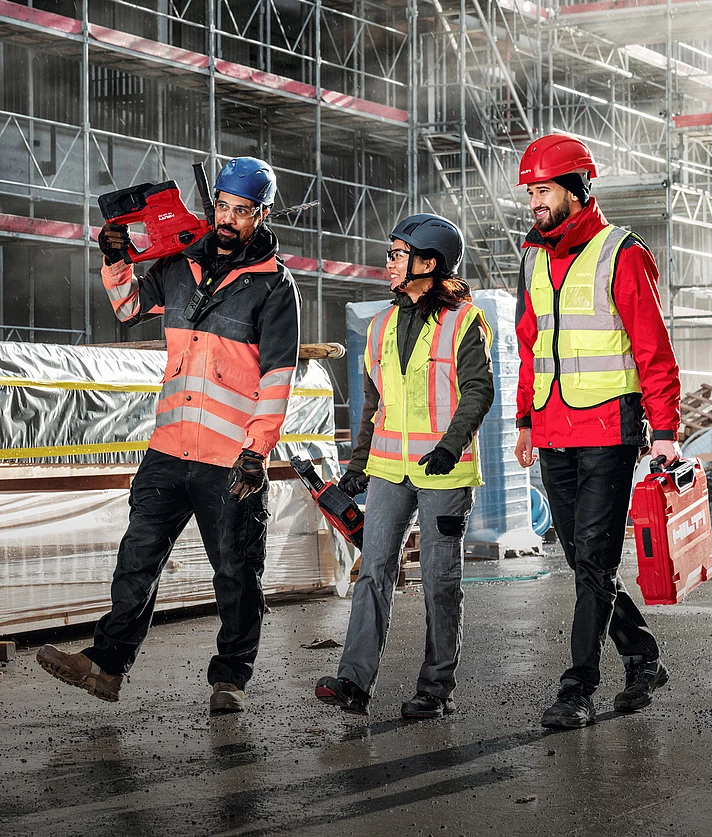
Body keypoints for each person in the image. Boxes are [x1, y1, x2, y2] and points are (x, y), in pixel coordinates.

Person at [36, 157, 301, 714]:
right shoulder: (181, 265)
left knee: (235, 572)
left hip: (230, 458)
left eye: (242, 211)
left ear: (263, 214)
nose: (229, 219)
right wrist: (115, 260)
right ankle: (107, 666)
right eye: (223, 207)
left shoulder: (274, 285)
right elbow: (129, 307)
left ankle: (230, 679)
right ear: (214, 206)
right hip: (167, 448)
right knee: (136, 561)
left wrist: (257, 452)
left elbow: (279, 376)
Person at [513, 134, 681, 729]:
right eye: (530, 191)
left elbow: (652, 349)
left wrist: (664, 431)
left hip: (610, 429)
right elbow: (530, 343)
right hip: (554, 428)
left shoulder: (621, 252)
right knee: (585, 559)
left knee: (594, 563)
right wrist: (526, 419)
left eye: (544, 190)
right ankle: (642, 656)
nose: (535, 201)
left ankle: (577, 686)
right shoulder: (532, 256)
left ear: (578, 189)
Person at [315, 213, 494, 719]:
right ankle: (354, 681)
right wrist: (357, 465)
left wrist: (449, 445)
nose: (388, 263)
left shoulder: (465, 321)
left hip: (445, 473)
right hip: (390, 472)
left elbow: (479, 390)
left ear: (429, 262)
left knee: (440, 580)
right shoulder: (380, 326)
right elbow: (374, 403)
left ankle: (435, 689)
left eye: (397, 254)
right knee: (373, 570)